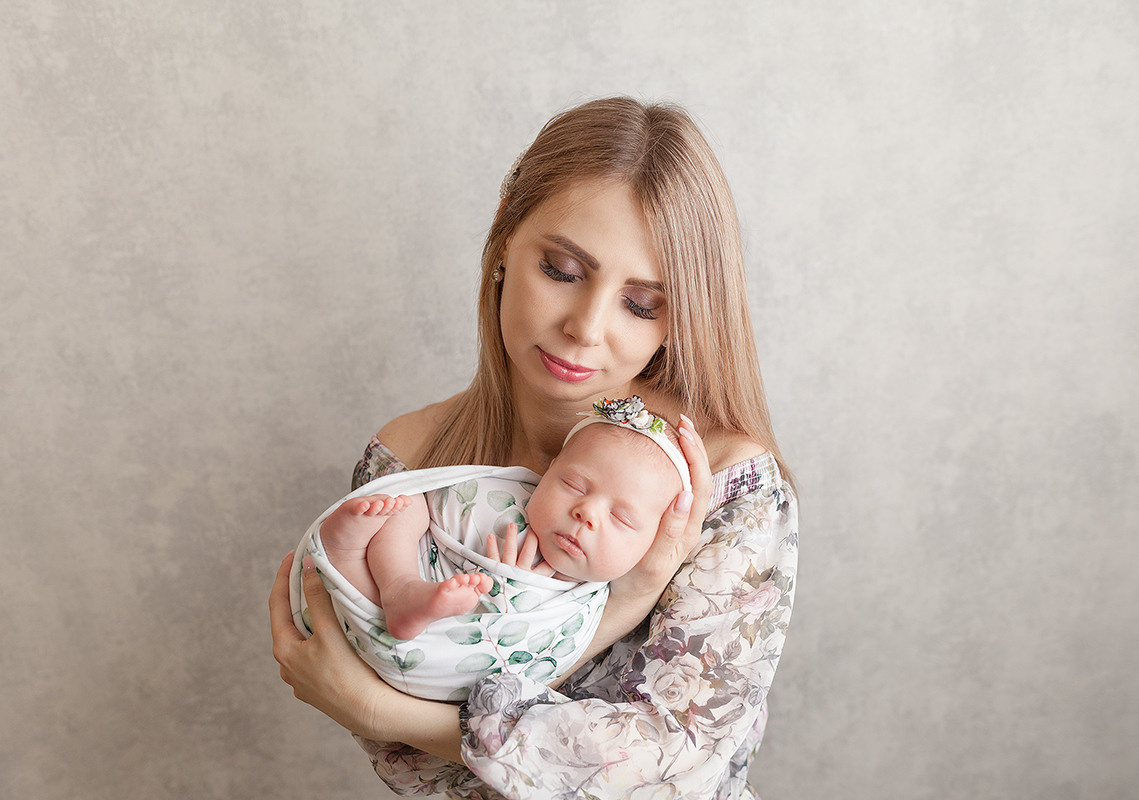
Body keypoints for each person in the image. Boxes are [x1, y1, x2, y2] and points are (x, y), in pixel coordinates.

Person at [269, 96, 799, 799]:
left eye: (641, 305)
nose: (585, 327)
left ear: (680, 319)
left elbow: (668, 757)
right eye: (563, 270)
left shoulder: (725, 487)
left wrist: (378, 708)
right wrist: (398, 716)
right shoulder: (409, 464)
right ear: (504, 229)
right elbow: (412, 764)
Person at [291, 397, 690, 701]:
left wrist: (511, 591)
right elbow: (443, 499)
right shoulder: (507, 495)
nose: (586, 512)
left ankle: (359, 566)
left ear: (651, 544)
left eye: (621, 518)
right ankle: (386, 579)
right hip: (391, 590)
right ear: (547, 471)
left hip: (428, 661)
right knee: (409, 499)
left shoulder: (583, 602)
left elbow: (530, 664)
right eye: (574, 485)